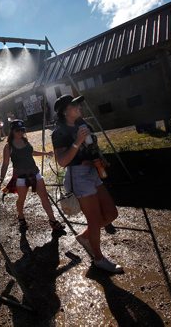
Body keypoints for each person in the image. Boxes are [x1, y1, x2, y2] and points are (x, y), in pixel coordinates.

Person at [52, 94, 123, 273]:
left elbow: (93, 148)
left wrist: (100, 159)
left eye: (78, 105)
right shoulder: (59, 132)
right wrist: (77, 142)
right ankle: (98, 259)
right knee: (94, 220)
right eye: (74, 105)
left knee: (111, 213)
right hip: (78, 175)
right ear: (65, 111)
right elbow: (62, 161)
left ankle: (85, 237)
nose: (79, 107)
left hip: (93, 170)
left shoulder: (85, 125)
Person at [0, 120, 65, 232]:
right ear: (12, 131)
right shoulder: (8, 147)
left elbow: (31, 152)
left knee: (44, 197)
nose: (20, 132)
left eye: (22, 130)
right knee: (21, 199)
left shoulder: (25, 141)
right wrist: (1, 179)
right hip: (21, 177)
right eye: (18, 130)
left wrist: (45, 154)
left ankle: (53, 220)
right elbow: (5, 164)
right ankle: (21, 217)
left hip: (35, 173)